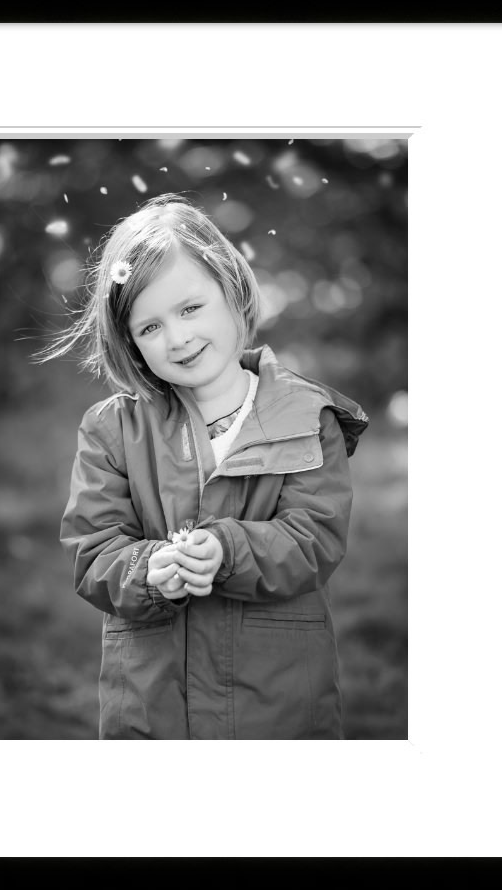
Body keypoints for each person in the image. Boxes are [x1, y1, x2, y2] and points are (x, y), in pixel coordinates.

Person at [50, 193, 368, 739]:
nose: (177, 338)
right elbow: (93, 550)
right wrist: (147, 570)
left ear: (232, 289)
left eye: (190, 308)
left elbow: (314, 537)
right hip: (152, 709)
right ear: (130, 342)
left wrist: (228, 549)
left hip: (279, 704)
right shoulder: (113, 431)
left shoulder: (305, 415)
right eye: (149, 327)